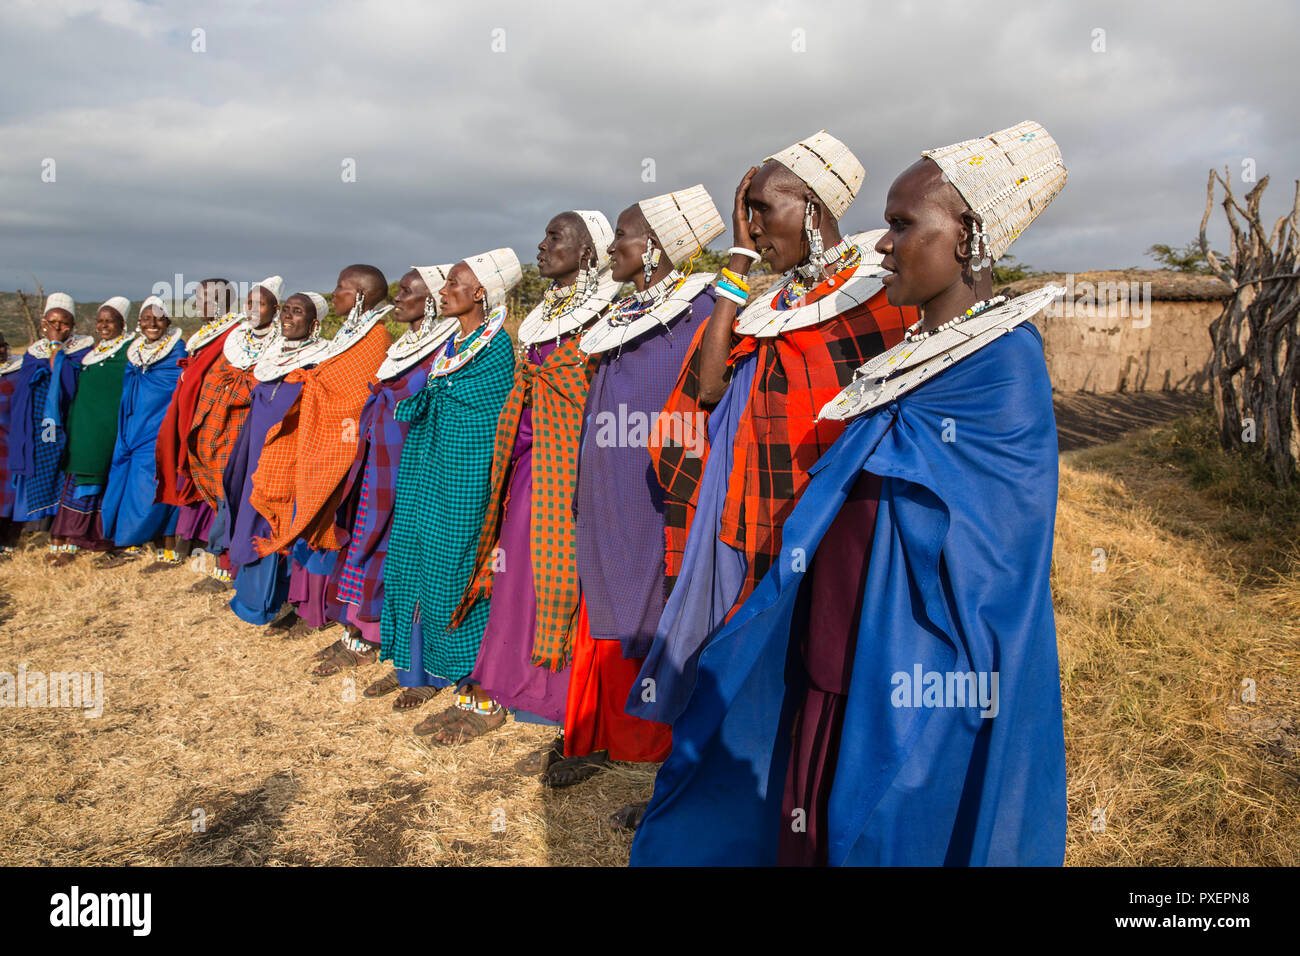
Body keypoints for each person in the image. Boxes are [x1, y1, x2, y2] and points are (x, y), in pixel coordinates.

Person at [631, 120, 1070, 867]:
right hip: (831, 618)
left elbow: (998, 550)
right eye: (889, 222)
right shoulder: (909, 349)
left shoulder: (998, 366)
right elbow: (715, 397)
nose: (887, 241)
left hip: (903, 651)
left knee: (879, 807)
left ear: (966, 234)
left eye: (904, 225)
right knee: (806, 779)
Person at [629, 131, 914, 732]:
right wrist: (738, 260)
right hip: (747, 516)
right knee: (740, 669)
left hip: (822, 523)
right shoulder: (775, 302)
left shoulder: (881, 299)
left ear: (811, 208)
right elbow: (708, 386)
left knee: (805, 674)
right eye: (745, 213)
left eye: (761, 210)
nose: (752, 227)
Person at [543, 185, 723, 787]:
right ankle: (598, 732)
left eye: (623, 235)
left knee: (652, 611)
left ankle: (647, 740)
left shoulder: (698, 314)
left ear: (657, 246)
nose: (612, 247)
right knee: (606, 611)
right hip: (607, 494)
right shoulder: (623, 313)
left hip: (657, 497)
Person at [453, 211, 619, 767]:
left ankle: (553, 699)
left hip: (576, 472)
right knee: (517, 572)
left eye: (556, 238)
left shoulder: (607, 317)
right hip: (530, 470)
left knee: (565, 582)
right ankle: (505, 682)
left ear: (589, 253)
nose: (542, 247)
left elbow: (596, 405)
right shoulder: (542, 318)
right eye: (545, 236)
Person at [380, 249, 521, 744]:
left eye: (453, 284)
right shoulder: (455, 345)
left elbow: (489, 423)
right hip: (430, 474)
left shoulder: (496, 349)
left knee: (462, 571)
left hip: (468, 481)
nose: (443, 291)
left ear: (479, 291)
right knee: (425, 566)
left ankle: (483, 694)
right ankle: (452, 679)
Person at [320, 264, 458, 687]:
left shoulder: (447, 350)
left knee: (408, 560)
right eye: (397, 292)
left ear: (430, 299)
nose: (396, 299)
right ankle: (362, 635)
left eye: (406, 292)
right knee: (371, 546)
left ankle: (404, 656)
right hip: (380, 464)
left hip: (415, 471)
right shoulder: (407, 345)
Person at [249, 265, 392, 642]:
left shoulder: (376, 338)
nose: (334, 294)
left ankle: (320, 608)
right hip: (319, 442)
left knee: (328, 521)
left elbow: (356, 396)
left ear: (360, 295)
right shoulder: (350, 333)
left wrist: (316, 386)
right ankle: (301, 603)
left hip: (342, 448)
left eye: (341, 288)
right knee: (305, 515)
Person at [224, 292, 331, 625]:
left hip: (291, 459)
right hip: (258, 453)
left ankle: (287, 602)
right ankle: (253, 598)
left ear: (314, 324)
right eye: (286, 310)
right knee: (253, 516)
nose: (287, 316)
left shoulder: (321, 360)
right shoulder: (273, 355)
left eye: (297, 312)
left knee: (282, 521)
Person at [186, 276, 283, 592]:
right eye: (250, 303)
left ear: (276, 308)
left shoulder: (282, 343)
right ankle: (223, 565)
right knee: (226, 497)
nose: (254, 309)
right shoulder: (237, 339)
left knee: (246, 499)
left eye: (261, 303)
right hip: (224, 431)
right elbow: (216, 381)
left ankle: (236, 570)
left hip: (255, 434)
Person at [98, 298, 187, 566]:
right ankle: (124, 540)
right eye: (146, 318)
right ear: (138, 323)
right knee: (122, 484)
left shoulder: (178, 352)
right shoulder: (135, 353)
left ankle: (142, 545)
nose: (152, 323)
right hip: (130, 428)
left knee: (149, 486)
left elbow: (177, 392)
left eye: (158, 318)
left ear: (168, 322)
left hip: (157, 430)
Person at [48, 297, 136, 565]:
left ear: (122, 323)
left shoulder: (129, 350)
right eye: (100, 321)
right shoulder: (93, 351)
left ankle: (99, 538)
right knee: (80, 476)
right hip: (85, 427)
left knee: (102, 479)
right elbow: (61, 378)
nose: (103, 326)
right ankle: (73, 538)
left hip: (108, 428)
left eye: (110, 321)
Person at [155, 278, 238, 561]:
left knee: (218, 485)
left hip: (217, 425)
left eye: (206, 298)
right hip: (193, 421)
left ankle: (218, 556)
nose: (198, 304)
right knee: (193, 480)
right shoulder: (207, 334)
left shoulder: (236, 335)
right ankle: (188, 544)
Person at [5, 294, 93, 529]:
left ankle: (61, 526)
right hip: (35, 424)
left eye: (63, 323)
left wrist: (56, 346)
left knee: (61, 469)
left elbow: (64, 379)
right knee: (38, 468)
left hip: (65, 421)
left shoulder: (83, 350)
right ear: (43, 323)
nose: (56, 327)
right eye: (51, 322)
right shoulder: (33, 352)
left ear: (73, 326)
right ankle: (37, 525)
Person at [0, 332, 23, 556]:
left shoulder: (17, 374)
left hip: (11, 444)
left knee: (10, 495)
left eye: (2, 345)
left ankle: (9, 542)